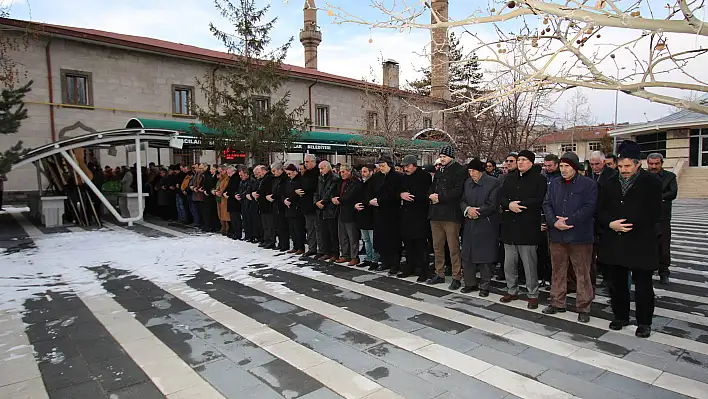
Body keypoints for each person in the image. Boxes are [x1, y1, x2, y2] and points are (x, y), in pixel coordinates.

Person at [598, 140, 662, 338]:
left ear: (638, 164)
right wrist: (610, 224)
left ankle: (644, 322)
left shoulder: (652, 183)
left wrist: (628, 225)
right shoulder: (608, 183)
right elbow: (600, 210)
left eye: (627, 166)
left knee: (643, 285)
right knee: (616, 283)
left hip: (641, 241)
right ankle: (621, 316)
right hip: (615, 240)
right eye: (620, 166)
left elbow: (653, 213)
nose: (623, 170)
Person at [541, 152, 597, 323]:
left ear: (575, 167)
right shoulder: (555, 184)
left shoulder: (588, 184)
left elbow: (590, 207)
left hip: (579, 236)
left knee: (582, 273)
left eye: (567, 166)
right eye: (562, 166)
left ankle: (583, 306)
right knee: (558, 270)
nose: (564, 170)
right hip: (557, 234)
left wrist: (570, 221)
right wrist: (553, 221)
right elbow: (547, 203)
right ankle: (557, 302)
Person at [498, 150, 547, 309]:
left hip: (527, 228)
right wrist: (508, 205)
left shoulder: (539, 179)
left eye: (524, 160)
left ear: (531, 162)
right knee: (509, 264)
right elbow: (501, 196)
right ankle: (512, 290)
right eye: (519, 160)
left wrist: (519, 205)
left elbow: (539, 199)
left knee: (529, 264)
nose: (520, 163)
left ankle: (532, 294)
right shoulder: (509, 177)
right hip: (509, 227)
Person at [427, 146, 467, 289]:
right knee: (437, 246)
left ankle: (456, 276)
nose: (442, 159)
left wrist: (440, 198)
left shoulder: (459, 170)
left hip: (451, 215)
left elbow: (458, 191)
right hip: (436, 214)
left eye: (444, 156)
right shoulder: (439, 171)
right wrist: (431, 196)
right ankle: (439, 273)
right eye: (441, 156)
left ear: (451, 156)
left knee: (453, 247)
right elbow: (432, 187)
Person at [460, 158, 501, 297]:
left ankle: (485, 285)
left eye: (473, 171)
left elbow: (492, 204)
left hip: (485, 223)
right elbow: (463, 200)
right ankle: (470, 283)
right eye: (469, 171)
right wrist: (467, 210)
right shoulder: (467, 182)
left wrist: (478, 211)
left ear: (481, 171)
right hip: (469, 222)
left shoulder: (493, 182)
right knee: (467, 254)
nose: (471, 174)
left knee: (485, 257)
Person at [399, 155, 432, 281]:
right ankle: (410, 266)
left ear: (414, 165)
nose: (405, 169)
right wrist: (401, 194)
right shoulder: (404, 177)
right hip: (406, 215)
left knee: (421, 245)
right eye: (404, 167)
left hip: (419, 215)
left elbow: (424, 195)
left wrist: (411, 196)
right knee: (408, 245)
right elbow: (400, 190)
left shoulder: (424, 176)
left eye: (407, 166)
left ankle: (424, 270)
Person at [646, 153, 678, 284]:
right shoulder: (642, 176)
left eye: (656, 164)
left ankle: (664, 272)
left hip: (663, 218)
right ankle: (646, 270)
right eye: (651, 164)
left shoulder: (670, 177)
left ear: (661, 164)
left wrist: (655, 197)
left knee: (664, 247)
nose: (654, 166)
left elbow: (672, 193)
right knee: (646, 246)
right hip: (646, 218)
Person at [369, 156, 402, 273]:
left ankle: (394, 264)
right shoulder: (376, 177)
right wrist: (370, 200)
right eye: (380, 166)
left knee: (392, 240)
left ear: (390, 165)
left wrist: (380, 201)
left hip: (391, 213)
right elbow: (370, 190)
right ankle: (385, 261)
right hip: (378, 212)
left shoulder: (397, 177)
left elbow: (395, 194)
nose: (381, 168)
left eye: (383, 166)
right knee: (381, 239)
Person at [333, 164, 362, 265]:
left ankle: (354, 256)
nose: (342, 174)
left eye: (344, 171)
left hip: (350, 212)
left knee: (352, 236)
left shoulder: (355, 182)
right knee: (342, 235)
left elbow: (351, 196)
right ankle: (345, 254)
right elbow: (336, 192)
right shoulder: (340, 182)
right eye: (340, 172)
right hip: (340, 211)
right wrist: (334, 198)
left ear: (349, 171)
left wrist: (339, 200)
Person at [314, 161, 340, 261]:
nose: (320, 171)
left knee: (332, 233)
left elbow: (331, 192)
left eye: (322, 168)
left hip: (330, 209)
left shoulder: (334, 178)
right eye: (319, 169)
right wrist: (316, 202)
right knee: (324, 232)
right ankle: (326, 252)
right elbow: (316, 191)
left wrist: (323, 201)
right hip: (321, 209)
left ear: (327, 167)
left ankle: (335, 253)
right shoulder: (320, 178)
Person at [355, 165, 380, 268]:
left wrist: (366, 203)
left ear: (371, 172)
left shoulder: (374, 183)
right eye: (362, 172)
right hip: (362, 214)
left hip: (371, 215)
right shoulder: (361, 183)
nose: (363, 174)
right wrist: (355, 204)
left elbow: (372, 199)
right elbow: (357, 196)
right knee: (366, 239)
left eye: (365, 172)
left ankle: (374, 259)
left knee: (373, 239)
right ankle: (368, 258)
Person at [300, 154, 320, 256]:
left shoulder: (317, 173)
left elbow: (313, 187)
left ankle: (320, 250)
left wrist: (303, 190)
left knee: (318, 228)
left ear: (313, 162)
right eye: (305, 162)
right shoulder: (305, 173)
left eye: (307, 162)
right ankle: (312, 248)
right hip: (306, 204)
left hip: (315, 204)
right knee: (309, 228)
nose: (305, 164)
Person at [284, 164, 306, 255]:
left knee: (298, 229)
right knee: (292, 229)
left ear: (295, 172)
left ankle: (301, 246)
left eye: (289, 174)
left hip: (297, 207)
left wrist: (291, 196)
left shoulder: (300, 179)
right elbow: (284, 192)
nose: (288, 176)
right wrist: (285, 200)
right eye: (287, 174)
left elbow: (300, 193)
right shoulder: (288, 181)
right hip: (289, 207)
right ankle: (295, 245)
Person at [253, 165, 276, 249]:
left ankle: (271, 240)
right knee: (265, 224)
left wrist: (258, 193)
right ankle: (266, 239)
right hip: (262, 204)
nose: (257, 175)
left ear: (263, 171)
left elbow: (264, 190)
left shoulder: (268, 178)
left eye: (259, 173)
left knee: (270, 225)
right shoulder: (262, 179)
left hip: (268, 204)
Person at [270, 162, 291, 252]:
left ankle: (284, 244)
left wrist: (273, 196)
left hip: (282, 204)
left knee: (283, 226)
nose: (273, 173)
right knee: (278, 225)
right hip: (276, 204)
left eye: (274, 171)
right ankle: (281, 243)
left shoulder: (284, 179)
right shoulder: (276, 179)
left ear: (280, 170)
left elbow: (281, 191)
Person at [223, 166, 242, 239]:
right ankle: (235, 232)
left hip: (234, 201)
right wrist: (225, 193)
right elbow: (228, 188)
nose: (228, 174)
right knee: (233, 218)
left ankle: (237, 233)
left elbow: (233, 189)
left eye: (228, 172)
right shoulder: (232, 178)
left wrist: (227, 194)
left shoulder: (236, 178)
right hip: (231, 200)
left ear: (232, 171)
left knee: (236, 218)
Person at [237, 167, 255, 241]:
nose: (240, 177)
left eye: (241, 175)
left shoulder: (251, 181)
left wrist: (241, 195)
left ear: (246, 174)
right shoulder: (241, 181)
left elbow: (248, 191)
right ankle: (247, 235)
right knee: (245, 220)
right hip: (243, 202)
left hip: (249, 203)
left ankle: (251, 236)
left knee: (250, 220)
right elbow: (239, 190)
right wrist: (237, 194)